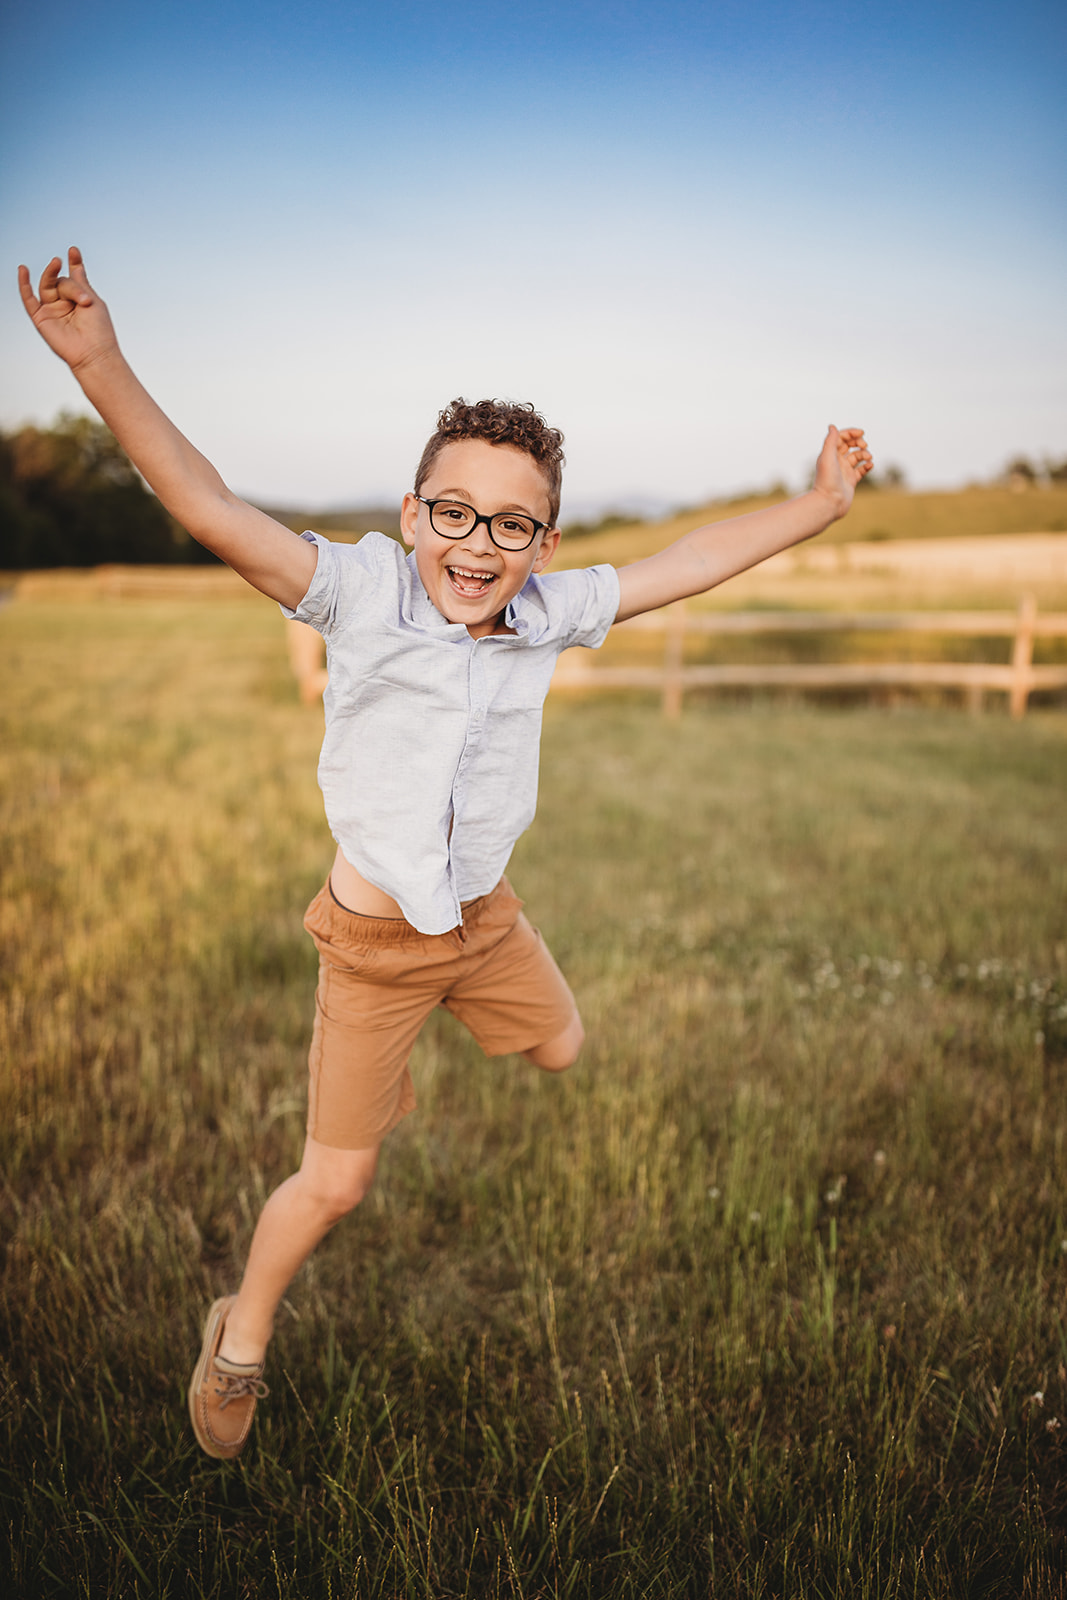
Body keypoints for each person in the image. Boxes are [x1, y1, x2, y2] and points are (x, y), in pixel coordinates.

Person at [19, 247, 873, 1459]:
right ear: (413, 512)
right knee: (336, 1185)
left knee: (566, 1046)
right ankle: (237, 1339)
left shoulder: (544, 610)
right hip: (374, 950)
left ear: (542, 537)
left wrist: (819, 504)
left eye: (511, 524)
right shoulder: (360, 594)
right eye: (455, 513)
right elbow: (207, 506)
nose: (478, 545)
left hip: (484, 921)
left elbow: (686, 562)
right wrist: (98, 364)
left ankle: (485, 1019)